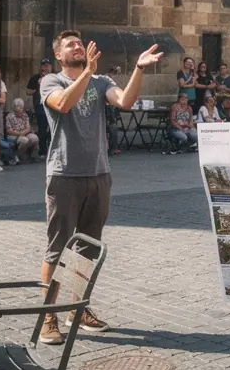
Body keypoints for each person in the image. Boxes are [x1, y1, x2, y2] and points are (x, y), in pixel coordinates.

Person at [39, 31, 163, 344]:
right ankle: (47, 317)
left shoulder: (101, 81)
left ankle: (77, 310)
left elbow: (125, 101)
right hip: (64, 174)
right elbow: (64, 105)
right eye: (70, 44)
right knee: (57, 247)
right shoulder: (51, 82)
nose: (77, 46)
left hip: (98, 174)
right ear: (59, 55)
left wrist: (139, 68)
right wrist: (88, 73)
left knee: (87, 248)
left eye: (79, 42)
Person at [26, 58, 53, 156]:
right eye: (44, 66)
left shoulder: (55, 77)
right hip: (40, 106)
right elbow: (28, 91)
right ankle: (43, 150)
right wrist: (38, 88)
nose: (46, 67)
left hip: (53, 105)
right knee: (42, 128)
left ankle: (52, 149)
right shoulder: (35, 78)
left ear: (51, 67)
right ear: (41, 67)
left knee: (53, 128)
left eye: (48, 65)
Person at [5, 98, 39, 163]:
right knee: (24, 140)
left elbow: (28, 127)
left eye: (21, 107)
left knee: (35, 138)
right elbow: (8, 130)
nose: (21, 108)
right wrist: (19, 134)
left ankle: (32, 156)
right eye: (19, 107)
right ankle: (17, 155)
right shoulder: (9, 116)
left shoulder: (24, 115)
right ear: (14, 107)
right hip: (13, 135)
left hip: (24, 133)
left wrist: (23, 133)